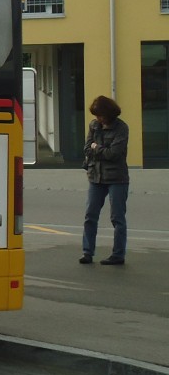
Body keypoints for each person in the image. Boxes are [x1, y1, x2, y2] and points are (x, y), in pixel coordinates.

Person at [80, 95, 130, 265]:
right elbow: (87, 148)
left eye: (100, 115)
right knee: (90, 215)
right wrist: (98, 148)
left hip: (117, 178)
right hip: (96, 177)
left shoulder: (121, 128)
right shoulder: (94, 126)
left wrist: (97, 147)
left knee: (117, 218)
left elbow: (113, 154)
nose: (97, 119)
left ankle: (118, 255)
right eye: (96, 115)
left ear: (108, 114)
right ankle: (87, 252)